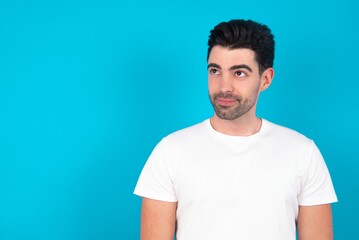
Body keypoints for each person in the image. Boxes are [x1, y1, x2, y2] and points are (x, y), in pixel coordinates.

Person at [134, 19, 337, 240]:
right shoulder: (170, 152)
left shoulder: (302, 152)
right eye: (214, 71)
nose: (223, 87)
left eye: (239, 73)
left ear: (265, 79)